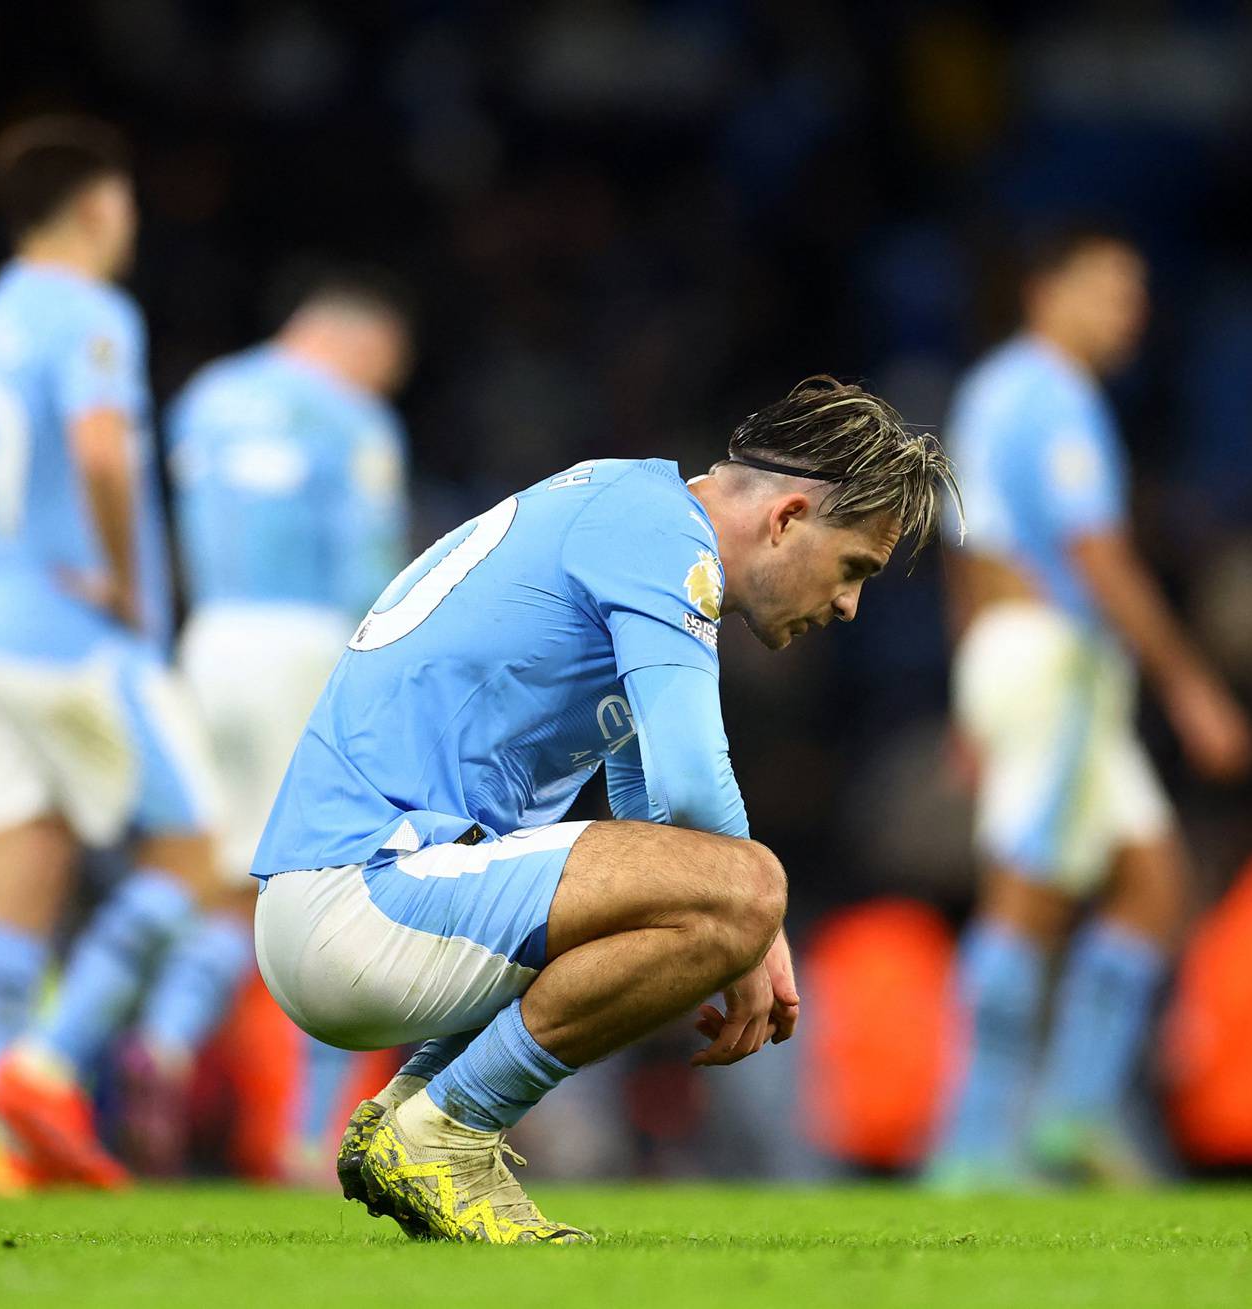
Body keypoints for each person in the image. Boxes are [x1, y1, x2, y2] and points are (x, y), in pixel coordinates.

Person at [253, 377, 953, 1242]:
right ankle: (447, 1131)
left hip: (348, 901)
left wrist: (728, 921)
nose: (848, 604)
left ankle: (411, 1111)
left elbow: (643, 800)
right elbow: (695, 786)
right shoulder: (664, 538)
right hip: (361, 899)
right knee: (747, 882)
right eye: (853, 568)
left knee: (717, 895)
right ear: (787, 518)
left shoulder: (626, 508)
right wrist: (755, 925)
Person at [0, 115, 221, 1192]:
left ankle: (7, 1146)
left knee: (20, 877)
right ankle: (49, 1070)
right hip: (75, 635)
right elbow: (101, 451)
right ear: (101, 205)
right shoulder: (91, 313)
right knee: (197, 858)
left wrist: (1, 555)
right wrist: (123, 580)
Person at [931, 224, 1252, 1187]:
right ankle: (976, 1144)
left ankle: (1073, 1111)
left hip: (1012, 653)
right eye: (1109, 289)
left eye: (1135, 292)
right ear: (1046, 291)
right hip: (1056, 659)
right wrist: (1193, 684)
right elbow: (1097, 555)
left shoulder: (990, 391)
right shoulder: (1056, 397)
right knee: (1029, 887)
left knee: (1155, 882)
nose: (1129, 311)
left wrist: (968, 685)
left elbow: (962, 549)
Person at [121, 270, 415, 1178]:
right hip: (306, 645)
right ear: (357, 344)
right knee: (340, 880)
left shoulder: (206, 398)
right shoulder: (356, 421)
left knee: (221, 879)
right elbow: (373, 562)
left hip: (209, 640)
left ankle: (163, 1039)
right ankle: (310, 1130)